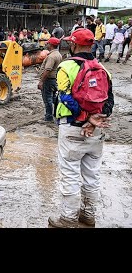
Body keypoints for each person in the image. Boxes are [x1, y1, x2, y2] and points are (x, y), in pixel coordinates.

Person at [48, 28, 114, 228]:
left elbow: (65, 98)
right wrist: (93, 121)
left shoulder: (66, 66)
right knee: (92, 174)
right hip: (97, 129)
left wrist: (85, 118)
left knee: (69, 173)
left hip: (73, 127)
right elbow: (109, 102)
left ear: (74, 45)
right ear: (92, 45)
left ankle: (68, 218)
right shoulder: (103, 68)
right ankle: (88, 216)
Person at [37, 37, 63, 122]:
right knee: (54, 98)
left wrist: (41, 81)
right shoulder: (58, 54)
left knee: (47, 98)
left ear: (51, 45)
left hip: (48, 80)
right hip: (55, 79)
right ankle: (55, 114)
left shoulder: (52, 56)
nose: (46, 44)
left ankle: (49, 117)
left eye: (47, 43)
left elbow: (48, 69)